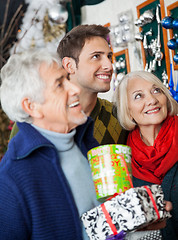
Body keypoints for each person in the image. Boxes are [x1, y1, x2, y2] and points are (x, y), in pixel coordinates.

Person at [0, 49, 101, 239]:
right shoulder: (10, 181)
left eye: (67, 79)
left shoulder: (85, 139)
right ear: (32, 107)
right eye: (59, 85)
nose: (75, 89)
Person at [10, 24, 128, 145]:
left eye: (109, 56)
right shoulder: (32, 122)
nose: (108, 65)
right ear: (69, 65)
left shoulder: (119, 116)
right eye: (96, 56)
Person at [114, 70, 178, 240]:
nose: (152, 100)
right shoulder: (123, 162)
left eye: (156, 90)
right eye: (138, 96)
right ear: (127, 110)